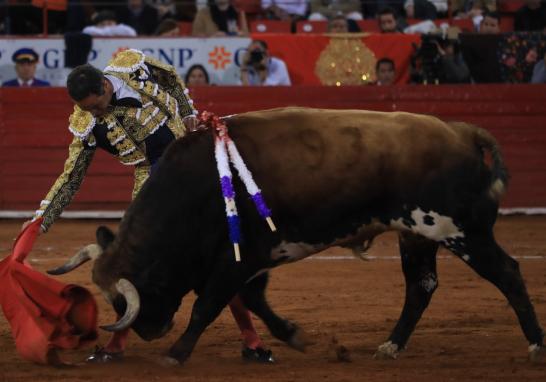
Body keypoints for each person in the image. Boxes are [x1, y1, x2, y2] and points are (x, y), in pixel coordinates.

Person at [21, 49, 273, 364]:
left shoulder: (130, 64)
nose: (95, 115)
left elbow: (170, 77)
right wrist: (40, 221)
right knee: (138, 265)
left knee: (220, 254)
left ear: (106, 87)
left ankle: (251, 339)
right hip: (150, 184)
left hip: (194, 162)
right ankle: (116, 343)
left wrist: (187, 111)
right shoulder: (85, 123)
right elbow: (70, 177)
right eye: (87, 110)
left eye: (97, 107)